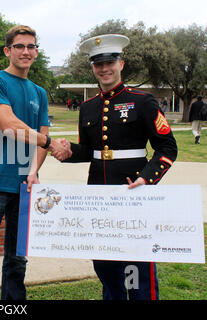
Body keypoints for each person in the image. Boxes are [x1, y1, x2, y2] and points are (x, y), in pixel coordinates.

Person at [53, 34, 178, 300]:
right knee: (104, 263)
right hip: (98, 196)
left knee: (137, 267)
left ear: (122, 63)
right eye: (98, 64)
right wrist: (66, 151)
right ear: (92, 68)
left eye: (110, 62)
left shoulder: (143, 101)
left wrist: (146, 179)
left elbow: (167, 148)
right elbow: (89, 151)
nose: (104, 68)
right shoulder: (88, 107)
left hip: (134, 194)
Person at [0, 25, 70, 300]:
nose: (26, 51)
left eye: (31, 46)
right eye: (19, 46)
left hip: (24, 188)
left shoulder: (40, 93)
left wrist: (34, 172)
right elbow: (9, 125)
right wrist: (49, 143)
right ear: (8, 51)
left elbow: (42, 136)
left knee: (17, 260)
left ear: (36, 52)